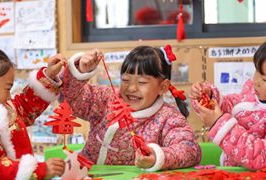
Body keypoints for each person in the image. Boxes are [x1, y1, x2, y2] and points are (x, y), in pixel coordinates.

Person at [61, 45, 201, 171]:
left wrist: (156, 156)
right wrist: (80, 70)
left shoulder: (168, 117)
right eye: (126, 80)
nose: (132, 88)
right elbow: (71, 97)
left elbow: (190, 149)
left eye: (141, 82)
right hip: (86, 177)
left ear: (163, 87)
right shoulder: (105, 98)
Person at [0, 37, 66, 180]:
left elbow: (27, 104)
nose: (9, 97)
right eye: (7, 89)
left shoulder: (4, 109)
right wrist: (39, 170)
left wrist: (48, 75)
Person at [189, 42, 266, 170]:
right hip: (230, 173)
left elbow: (260, 156)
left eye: (264, 79)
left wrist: (218, 123)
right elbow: (227, 106)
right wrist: (207, 97)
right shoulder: (248, 96)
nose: (256, 81)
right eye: (257, 71)